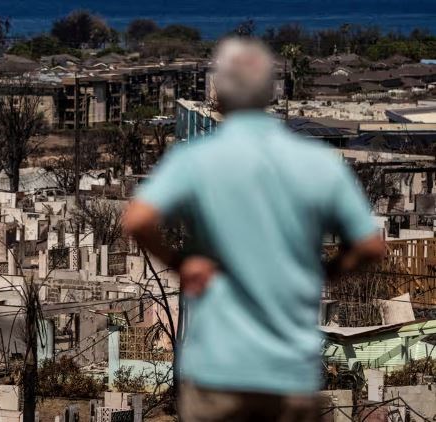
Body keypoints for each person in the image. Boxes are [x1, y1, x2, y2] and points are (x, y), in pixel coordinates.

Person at [122, 38, 385, 422]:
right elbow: (371, 247)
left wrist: (182, 264)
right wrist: (328, 272)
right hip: (289, 372)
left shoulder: (194, 159)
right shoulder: (317, 162)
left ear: (219, 95)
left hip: (216, 371)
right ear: (271, 93)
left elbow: (138, 219)